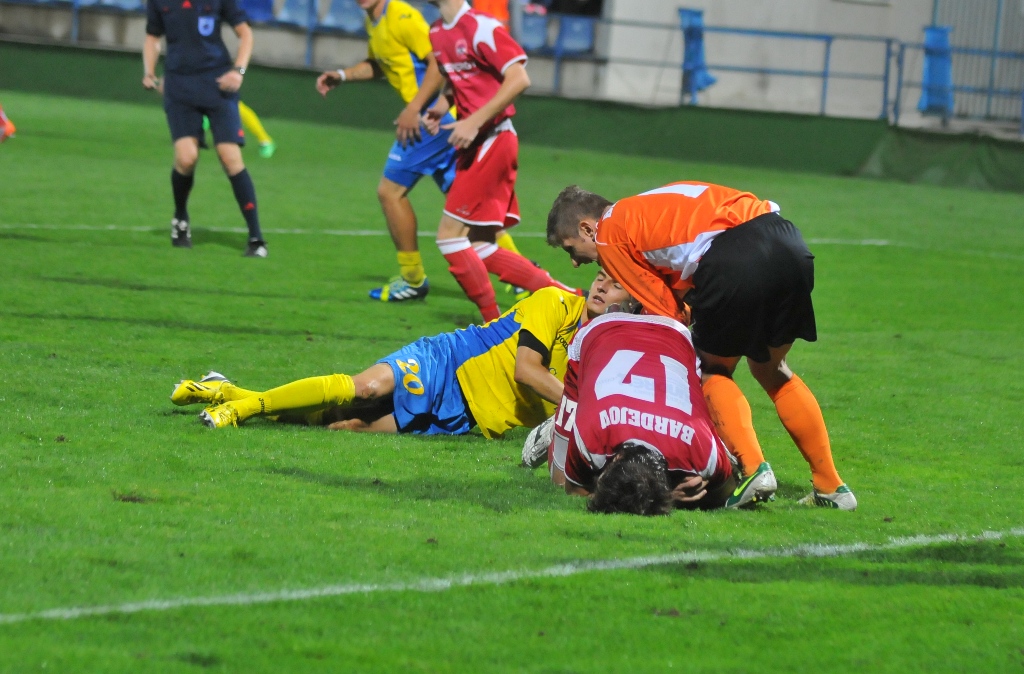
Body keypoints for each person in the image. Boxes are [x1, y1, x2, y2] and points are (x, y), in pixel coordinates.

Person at [545, 182, 857, 510]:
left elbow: (667, 315)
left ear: (587, 229)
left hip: (736, 257)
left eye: (570, 249)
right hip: (787, 242)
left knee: (712, 370)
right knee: (771, 369)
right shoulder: (647, 208)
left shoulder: (609, 235)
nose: (575, 263)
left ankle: (754, 470)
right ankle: (831, 487)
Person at [170, 269, 631, 437]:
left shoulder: (602, 356)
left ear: (630, 305)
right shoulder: (556, 303)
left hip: (466, 416)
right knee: (364, 388)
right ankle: (241, 410)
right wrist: (585, 410)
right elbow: (527, 371)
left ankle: (227, 390)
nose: (601, 285)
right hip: (449, 361)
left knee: (345, 425)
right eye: (601, 277)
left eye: (614, 286)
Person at [397, 0, 580, 322]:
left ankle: (492, 323)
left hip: (493, 138)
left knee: (449, 236)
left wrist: (472, 121)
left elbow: (519, 78)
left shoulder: (482, 26)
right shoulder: (437, 31)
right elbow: (460, 81)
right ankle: (572, 300)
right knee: (480, 244)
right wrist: (441, 107)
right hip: (477, 143)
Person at [548, 310, 777, 515]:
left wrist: (662, 496)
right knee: (559, 479)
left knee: (561, 479)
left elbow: (575, 490)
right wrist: (667, 496)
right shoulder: (591, 437)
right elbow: (727, 492)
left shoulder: (701, 453)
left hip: (607, 331)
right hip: (660, 332)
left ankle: (555, 427)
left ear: (616, 459)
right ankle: (553, 426)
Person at [143, 0, 268, 257]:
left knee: (230, 158)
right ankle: (180, 218)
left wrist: (238, 71)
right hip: (179, 86)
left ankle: (256, 238)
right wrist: (149, 72)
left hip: (218, 84)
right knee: (186, 158)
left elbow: (245, 34)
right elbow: (152, 37)